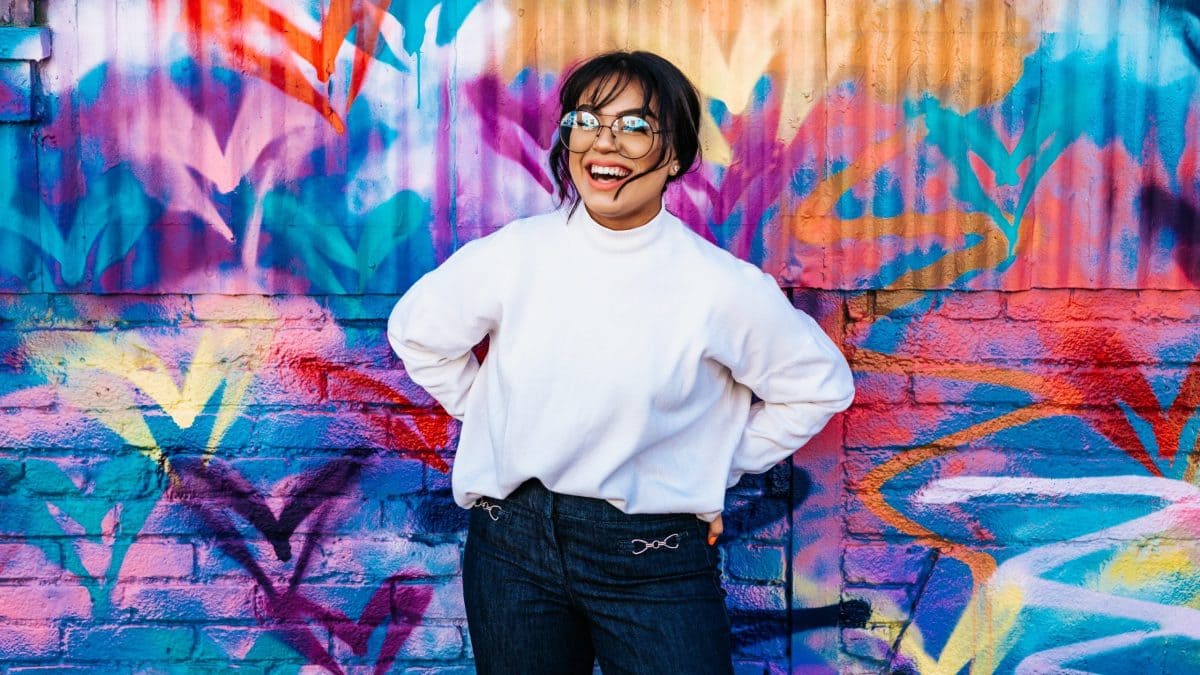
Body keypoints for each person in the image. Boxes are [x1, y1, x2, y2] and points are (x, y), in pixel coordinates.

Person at [387, 50, 854, 674]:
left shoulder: (719, 287)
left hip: (653, 558)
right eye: (587, 120)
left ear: (676, 156)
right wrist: (493, 417)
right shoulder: (517, 255)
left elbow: (819, 387)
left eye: (635, 126)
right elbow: (419, 334)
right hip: (510, 549)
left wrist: (711, 466)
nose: (604, 144)